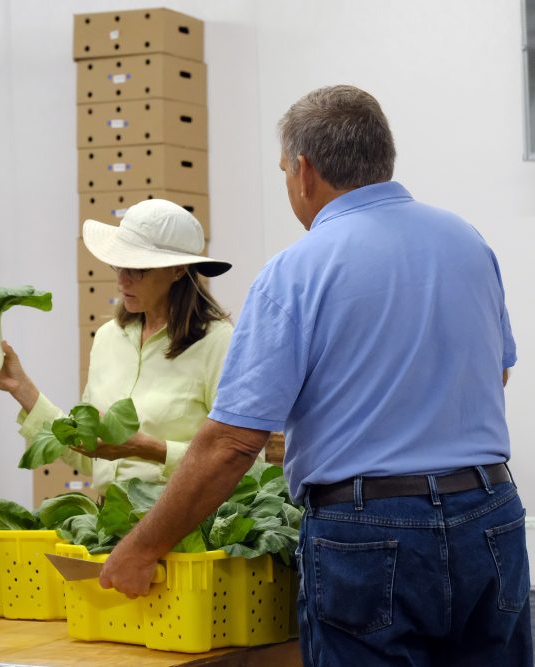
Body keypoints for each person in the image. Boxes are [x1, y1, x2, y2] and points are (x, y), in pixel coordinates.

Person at [99, 85, 529, 666]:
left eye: (283, 171)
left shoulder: (296, 270)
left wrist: (141, 547)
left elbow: (232, 442)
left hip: (369, 530)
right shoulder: (468, 242)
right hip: (489, 514)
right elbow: (493, 375)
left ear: (304, 172)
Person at [0, 199, 233, 492]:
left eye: (136, 269)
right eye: (118, 265)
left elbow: (239, 463)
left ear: (178, 271)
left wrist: (149, 449)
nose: (121, 281)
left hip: (185, 529)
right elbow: (89, 457)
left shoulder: (218, 343)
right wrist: (21, 388)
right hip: (111, 525)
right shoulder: (108, 337)